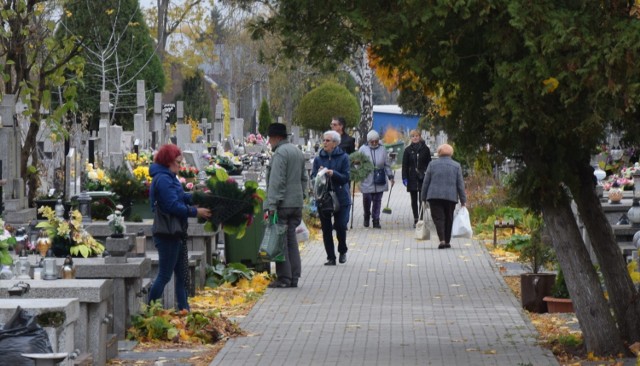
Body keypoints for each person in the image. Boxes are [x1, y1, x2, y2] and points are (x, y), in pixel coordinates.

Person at [148, 144, 212, 310]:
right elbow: (172, 206)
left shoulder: (169, 177)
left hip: (176, 232)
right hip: (167, 233)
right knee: (164, 275)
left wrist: (199, 196)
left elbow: (181, 196)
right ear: (168, 161)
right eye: (178, 162)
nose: (180, 165)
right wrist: (195, 212)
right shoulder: (163, 179)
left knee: (182, 275)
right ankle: (149, 309)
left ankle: (184, 310)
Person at [264, 123, 308, 288]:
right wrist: (302, 195)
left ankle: (284, 278)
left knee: (280, 241)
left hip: (283, 204)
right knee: (291, 240)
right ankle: (294, 276)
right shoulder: (297, 151)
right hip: (295, 203)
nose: (269, 142)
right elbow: (304, 178)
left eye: (270, 138)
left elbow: (277, 181)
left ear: (276, 137)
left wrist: (272, 204)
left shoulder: (280, 153)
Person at [311, 130, 351, 265]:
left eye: (327, 140)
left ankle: (342, 249)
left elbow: (346, 177)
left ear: (335, 143)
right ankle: (331, 257)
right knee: (326, 229)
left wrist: (333, 173)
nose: (324, 143)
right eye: (324, 140)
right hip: (324, 198)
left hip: (341, 197)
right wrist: (319, 174)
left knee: (340, 226)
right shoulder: (318, 158)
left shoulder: (343, 157)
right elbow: (313, 178)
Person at [421, 143, 466, 249]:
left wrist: (423, 197)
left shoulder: (432, 164)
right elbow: (460, 184)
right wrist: (463, 200)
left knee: (438, 218)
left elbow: (426, 182)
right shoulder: (456, 165)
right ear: (451, 153)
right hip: (450, 197)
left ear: (439, 153)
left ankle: (442, 240)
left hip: (434, 196)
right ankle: (447, 241)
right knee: (449, 218)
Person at [358, 130, 394, 229]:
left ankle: (376, 220)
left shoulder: (382, 149)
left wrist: (390, 176)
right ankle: (366, 215)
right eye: (372, 141)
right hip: (366, 178)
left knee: (377, 200)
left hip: (380, 177)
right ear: (368, 141)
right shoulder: (362, 149)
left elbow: (386, 164)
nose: (374, 143)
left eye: (376, 141)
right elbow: (357, 163)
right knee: (367, 199)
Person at [402, 130, 432, 228]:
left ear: (419, 137)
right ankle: (415, 218)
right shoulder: (407, 150)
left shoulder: (425, 149)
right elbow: (405, 165)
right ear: (410, 138)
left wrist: (428, 174)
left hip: (423, 176)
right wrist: (404, 177)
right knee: (413, 199)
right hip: (412, 177)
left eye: (417, 136)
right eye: (413, 136)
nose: (415, 138)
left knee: (422, 199)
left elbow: (429, 163)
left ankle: (421, 218)